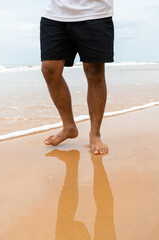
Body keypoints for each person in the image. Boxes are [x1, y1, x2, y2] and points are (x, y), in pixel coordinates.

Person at [40, 0, 114, 154]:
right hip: (54, 14)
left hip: (95, 13)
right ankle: (69, 127)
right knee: (49, 69)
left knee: (95, 72)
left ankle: (95, 134)